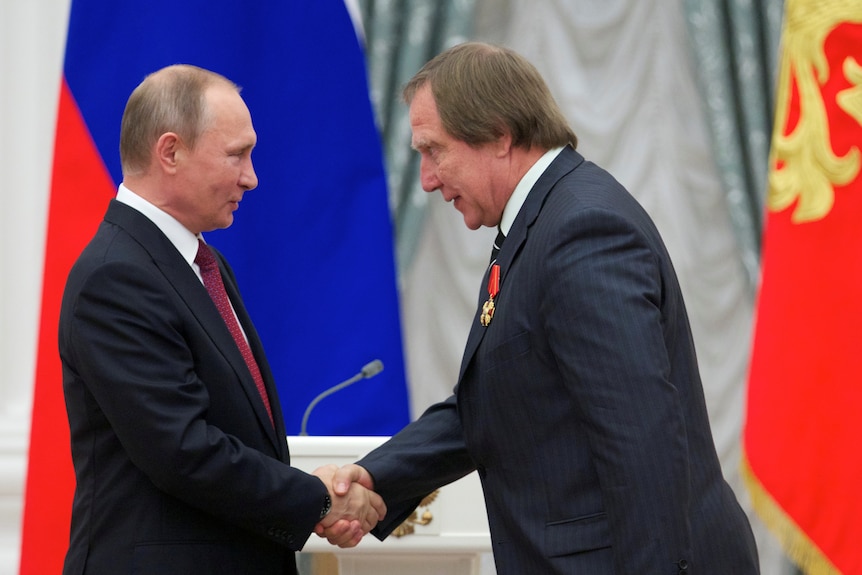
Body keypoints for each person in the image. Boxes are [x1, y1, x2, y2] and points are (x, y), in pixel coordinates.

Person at [321, 42, 761, 574]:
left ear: (500, 135)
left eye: (434, 150)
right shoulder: (540, 223)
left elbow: (640, 444)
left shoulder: (582, 233)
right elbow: (489, 403)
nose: (428, 179)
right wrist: (376, 478)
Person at [59, 64, 382, 575]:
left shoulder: (198, 261)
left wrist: (312, 495)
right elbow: (183, 451)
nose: (251, 177)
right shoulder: (116, 277)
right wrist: (317, 499)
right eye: (237, 155)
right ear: (170, 152)